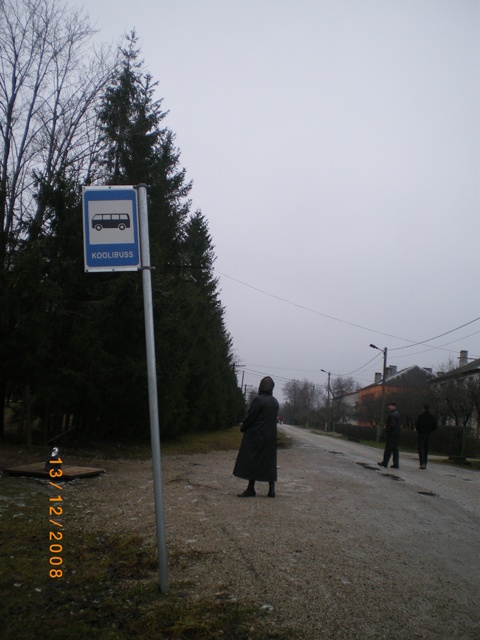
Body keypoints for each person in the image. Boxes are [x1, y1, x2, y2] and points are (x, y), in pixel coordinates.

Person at [233, 376, 279, 498]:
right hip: (270, 437)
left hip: (257, 435)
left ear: (261, 386)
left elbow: (251, 416)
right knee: (269, 461)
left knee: (253, 459)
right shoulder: (275, 402)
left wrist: (243, 427)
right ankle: (271, 489)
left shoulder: (259, 400)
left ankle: (251, 488)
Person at [378, 402, 401, 469]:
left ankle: (385, 462)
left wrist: (386, 428)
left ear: (394, 406)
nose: (389, 407)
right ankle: (396, 464)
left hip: (391, 434)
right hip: (396, 434)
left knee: (388, 449)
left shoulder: (392, 415)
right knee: (395, 450)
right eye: (389, 406)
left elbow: (392, 425)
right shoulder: (397, 414)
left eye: (390, 406)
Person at [415, 404, 437, 469]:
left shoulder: (421, 416)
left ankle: (422, 463)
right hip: (428, 434)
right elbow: (435, 427)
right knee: (426, 449)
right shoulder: (432, 417)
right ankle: (425, 462)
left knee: (421, 448)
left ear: (423, 408)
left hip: (421, 434)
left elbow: (417, 425)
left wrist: (419, 430)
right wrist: (429, 430)